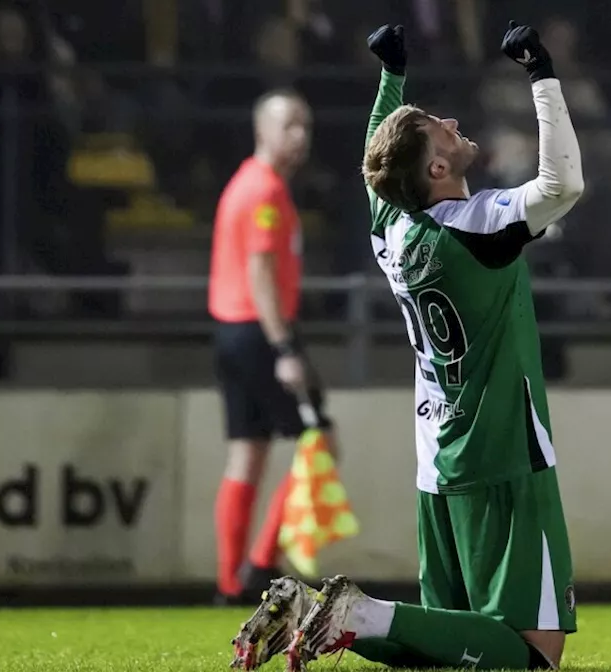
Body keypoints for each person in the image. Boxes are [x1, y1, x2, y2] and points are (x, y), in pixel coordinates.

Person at [230, 20, 583, 671]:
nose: (451, 119)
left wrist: (392, 79)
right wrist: (542, 76)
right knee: (534, 656)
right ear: (440, 167)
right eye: (440, 128)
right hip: (503, 452)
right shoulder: (476, 226)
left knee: (446, 649)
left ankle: (315, 615)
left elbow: (379, 164)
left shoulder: (393, 231)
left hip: (437, 459)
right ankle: (358, 615)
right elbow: (563, 186)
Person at [209, 88, 336, 606]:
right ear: (262, 130)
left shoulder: (248, 183)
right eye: (289, 126)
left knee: (248, 455)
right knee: (318, 441)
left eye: (304, 125)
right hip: (261, 331)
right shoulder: (263, 192)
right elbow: (260, 273)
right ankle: (261, 565)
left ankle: (229, 583)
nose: (300, 136)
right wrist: (284, 347)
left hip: (232, 330)